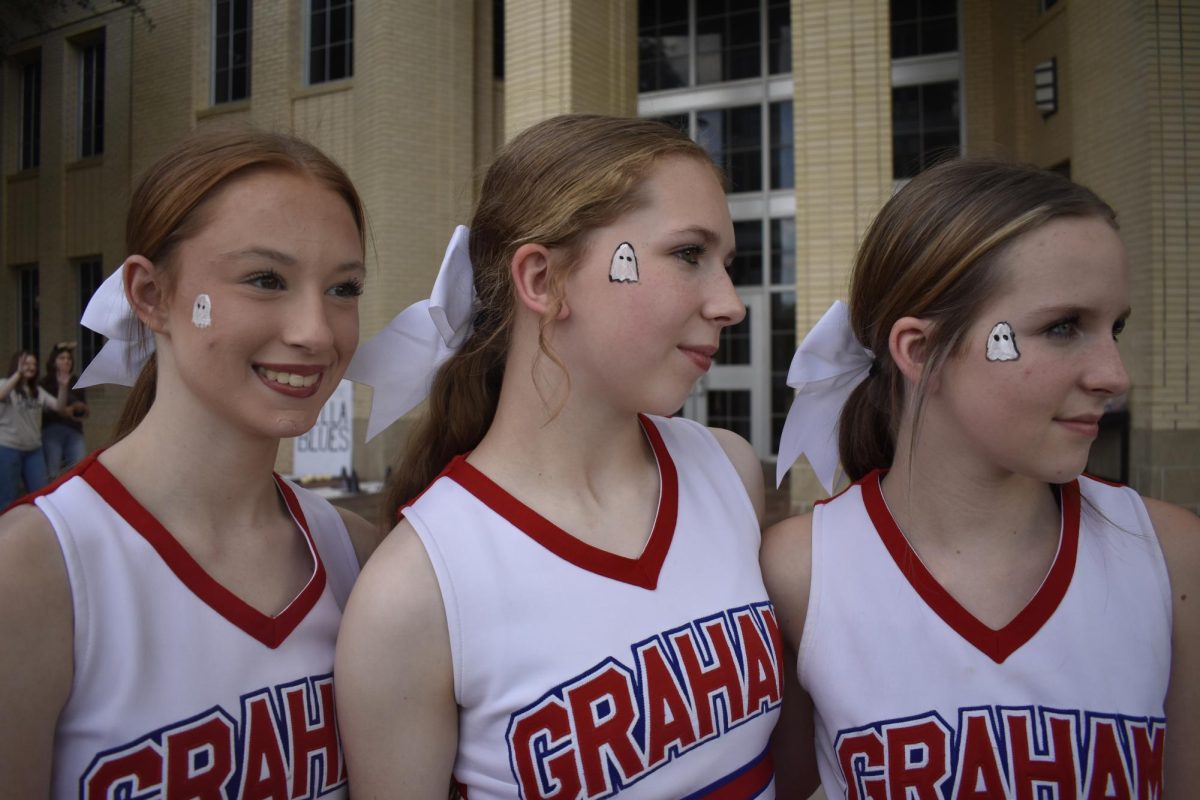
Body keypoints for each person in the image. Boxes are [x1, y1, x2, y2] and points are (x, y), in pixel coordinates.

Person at [336, 114, 782, 799]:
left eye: (728, 264)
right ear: (544, 279)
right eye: (689, 254)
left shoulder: (728, 470)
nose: (730, 304)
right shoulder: (415, 589)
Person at [763, 158, 1200, 797]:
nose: (1114, 375)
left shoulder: (1170, 555)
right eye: (1062, 327)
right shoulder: (801, 572)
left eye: (1116, 328)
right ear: (918, 351)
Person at [0, 126, 380, 798]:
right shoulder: (35, 572)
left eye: (344, 289)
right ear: (149, 295)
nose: (316, 331)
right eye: (266, 279)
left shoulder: (359, 558)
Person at [0, 350, 68, 506]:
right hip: (8, 449)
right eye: (26, 364)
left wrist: (63, 387)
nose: (31, 367)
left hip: (33, 450)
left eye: (34, 364)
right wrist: (18, 374)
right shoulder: (5, 384)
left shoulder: (37, 391)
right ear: (17, 365)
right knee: (7, 498)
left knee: (41, 496)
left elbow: (59, 407)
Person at [40, 342, 90, 478]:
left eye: (68, 358)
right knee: (53, 472)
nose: (66, 361)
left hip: (74, 429)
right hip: (52, 429)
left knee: (79, 469)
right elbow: (54, 409)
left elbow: (85, 411)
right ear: (54, 361)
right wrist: (70, 409)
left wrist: (80, 408)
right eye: (62, 358)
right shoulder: (45, 382)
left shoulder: (77, 381)